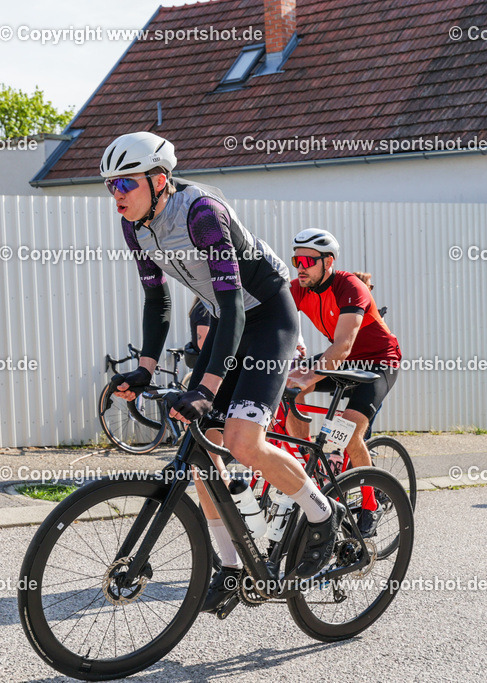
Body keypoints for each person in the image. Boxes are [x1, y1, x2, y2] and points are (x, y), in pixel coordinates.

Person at [100, 132, 345, 614]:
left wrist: (207, 388)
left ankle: (323, 512)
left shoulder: (201, 212)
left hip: (266, 316)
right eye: (110, 186)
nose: (118, 195)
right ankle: (232, 568)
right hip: (225, 318)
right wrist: (146, 369)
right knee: (198, 452)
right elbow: (156, 301)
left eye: (126, 183)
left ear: (160, 180)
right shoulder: (135, 227)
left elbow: (233, 305)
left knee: (242, 441)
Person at [286, 229, 402, 535]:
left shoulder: (348, 286)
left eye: (308, 260)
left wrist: (308, 375)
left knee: (348, 432)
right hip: (342, 361)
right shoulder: (299, 288)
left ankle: (370, 505)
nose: (300, 266)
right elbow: (271, 322)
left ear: (328, 261)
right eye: (296, 259)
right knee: (288, 391)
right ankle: (314, 464)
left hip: (378, 362)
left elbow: (343, 345)